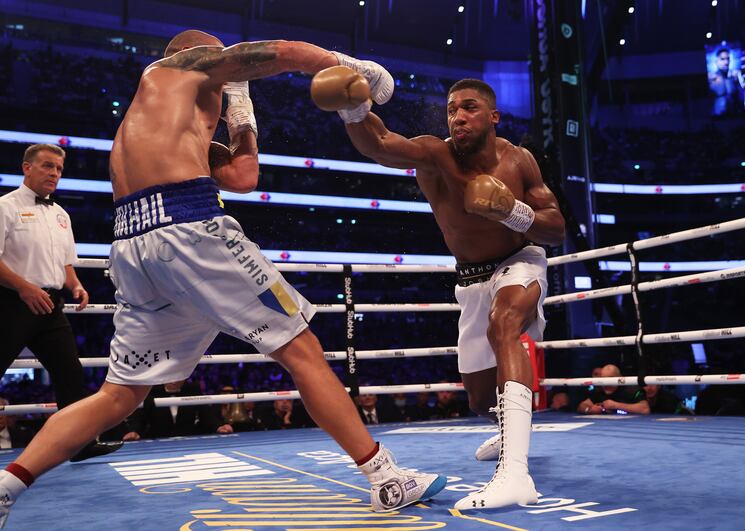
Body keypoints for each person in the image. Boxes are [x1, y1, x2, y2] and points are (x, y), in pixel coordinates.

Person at [0, 30, 445, 527]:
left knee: (118, 395)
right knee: (301, 349)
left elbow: (242, 177)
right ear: (201, 57)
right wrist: (350, 65)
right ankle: (385, 478)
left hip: (133, 245)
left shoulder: (162, 123)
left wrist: (241, 107)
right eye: (222, 62)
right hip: (191, 232)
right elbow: (281, 52)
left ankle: (6, 485)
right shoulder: (179, 66)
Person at [313, 73, 565, 509]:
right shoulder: (434, 154)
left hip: (519, 261)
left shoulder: (519, 161)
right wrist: (353, 109)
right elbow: (379, 143)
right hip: (470, 277)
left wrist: (514, 212)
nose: (458, 117)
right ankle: (509, 424)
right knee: (479, 399)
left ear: (493, 116)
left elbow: (557, 230)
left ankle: (516, 474)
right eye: (451, 110)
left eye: (468, 107)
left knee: (504, 325)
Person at [0, 143, 122, 462]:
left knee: (70, 373)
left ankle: (78, 444)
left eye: (59, 169)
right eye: (47, 166)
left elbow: (65, 263)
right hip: (11, 303)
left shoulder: (61, 214)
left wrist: (76, 285)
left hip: (50, 306)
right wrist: (24, 287)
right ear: (27, 168)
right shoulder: (5, 206)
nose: (54, 173)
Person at [577, 364, 650, 415]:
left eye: (610, 379)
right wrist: (589, 410)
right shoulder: (599, 390)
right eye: (604, 380)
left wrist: (616, 405)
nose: (607, 384)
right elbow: (582, 405)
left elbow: (645, 409)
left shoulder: (632, 389)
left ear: (619, 378)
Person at [708, 48, 744, 115]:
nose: (726, 62)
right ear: (716, 61)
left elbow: (740, 99)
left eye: (728, 59)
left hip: (736, 116)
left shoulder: (734, 77)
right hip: (718, 119)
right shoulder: (711, 79)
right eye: (722, 59)